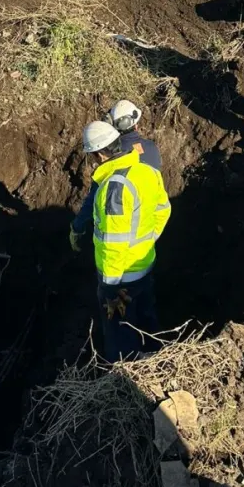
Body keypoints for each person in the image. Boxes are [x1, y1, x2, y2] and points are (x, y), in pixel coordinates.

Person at [79, 120, 171, 362]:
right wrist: (147, 242)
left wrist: (109, 286)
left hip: (119, 278)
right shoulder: (146, 171)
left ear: (99, 154)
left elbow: (113, 242)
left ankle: (123, 376)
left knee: (119, 334)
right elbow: (163, 209)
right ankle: (155, 358)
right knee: (146, 316)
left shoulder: (113, 188)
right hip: (143, 265)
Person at [69, 101, 161, 253]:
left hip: (119, 244)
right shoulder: (152, 149)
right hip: (147, 230)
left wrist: (77, 227)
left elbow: (92, 202)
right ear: (135, 124)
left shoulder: (112, 161)